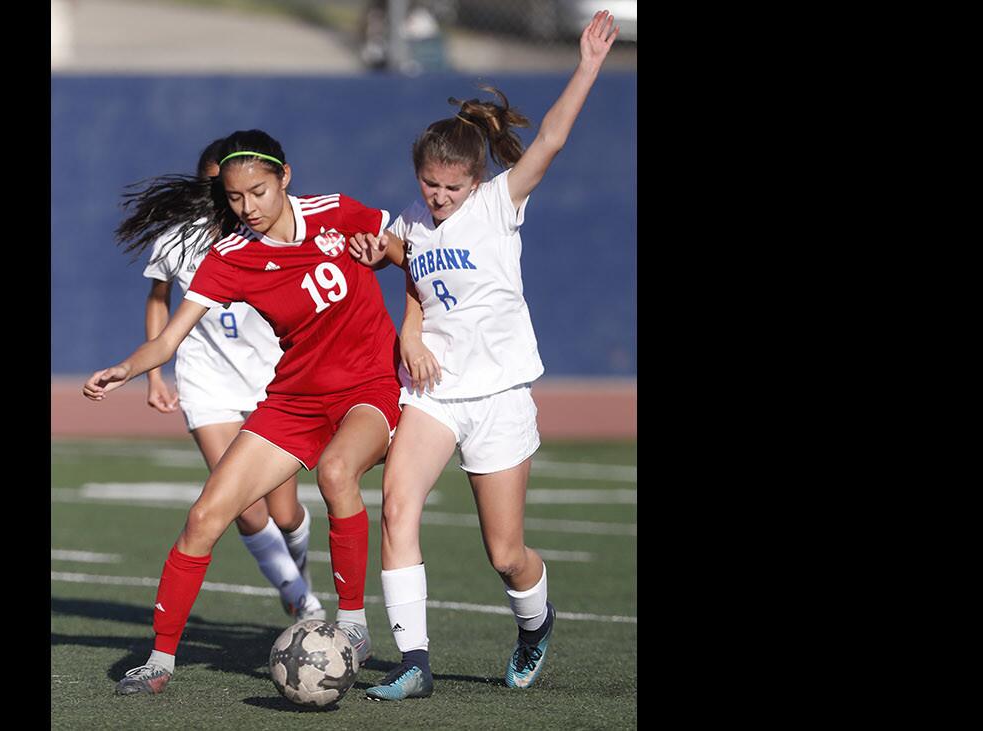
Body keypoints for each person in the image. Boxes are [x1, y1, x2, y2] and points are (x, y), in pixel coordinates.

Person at [348, 10, 620, 700]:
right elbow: (404, 266)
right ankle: (414, 660)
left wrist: (586, 64)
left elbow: (552, 138)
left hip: (498, 395)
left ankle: (534, 623)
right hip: (433, 393)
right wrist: (403, 322)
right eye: (430, 184)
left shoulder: (500, 203)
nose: (438, 198)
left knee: (505, 553)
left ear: (475, 178)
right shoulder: (412, 219)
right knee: (397, 505)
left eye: (450, 187)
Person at [84, 129, 402, 696]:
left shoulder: (337, 212)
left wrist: (389, 262)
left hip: (367, 388)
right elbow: (168, 339)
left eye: (258, 191)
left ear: (285, 177)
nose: (247, 207)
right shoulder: (230, 257)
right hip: (293, 400)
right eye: (234, 198)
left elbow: (408, 254)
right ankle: (159, 660)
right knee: (207, 516)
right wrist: (128, 369)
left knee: (335, 472)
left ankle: (353, 624)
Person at [137, 138, 322, 624]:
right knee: (243, 506)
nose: (236, 200)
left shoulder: (275, 232)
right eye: (222, 189)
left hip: (272, 380)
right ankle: (299, 596)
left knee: (285, 515)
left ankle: (296, 567)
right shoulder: (180, 239)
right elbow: (159, 299)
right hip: (207, 381)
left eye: (244, 190)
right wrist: (156, 375)